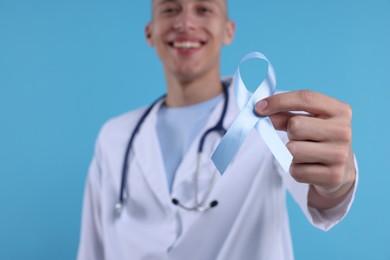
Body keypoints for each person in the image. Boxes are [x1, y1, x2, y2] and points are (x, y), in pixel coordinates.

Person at [77, 0, 357, 259]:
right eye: (170, 9)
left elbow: (322, 193)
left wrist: (337, 183)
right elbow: (92, 250)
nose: (185, 22)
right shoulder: (114, 137)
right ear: (150, 33)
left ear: (228, 31)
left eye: (203, 9)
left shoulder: (269, 116)